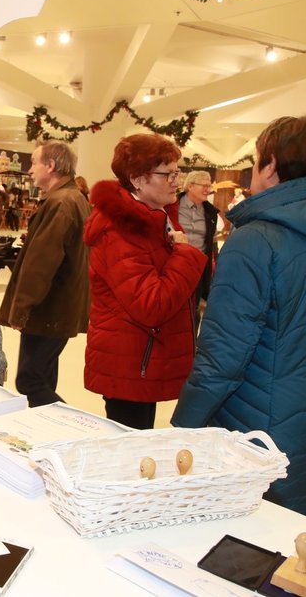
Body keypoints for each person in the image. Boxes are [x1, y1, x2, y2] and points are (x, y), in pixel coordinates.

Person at [172, 115, 306, 522]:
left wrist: (181, 429)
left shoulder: (255, 239)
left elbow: (222, 357)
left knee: (243, 553)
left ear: (270, 165)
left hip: (261, 430)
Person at [83, 134, 206, 429]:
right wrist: (185, 255)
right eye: (168, 174)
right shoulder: (121, 231)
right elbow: (152, 303)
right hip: (129, 362)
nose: (176, 181)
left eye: (178, 173)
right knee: (129, 453)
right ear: (137, 180)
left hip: (141, 358)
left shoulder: (154, 217)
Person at [0, 141, 90, 407]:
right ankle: (49, 434)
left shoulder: (61, 203)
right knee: (44, 378)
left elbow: (41, 264)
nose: (30, 170)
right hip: (59, 307)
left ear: (51, 166)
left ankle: (74, 428)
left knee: (30, 381)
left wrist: (22, 309)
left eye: (34, 162)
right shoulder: (72, 198)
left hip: (48, 309)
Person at [176, 170, 222, 334]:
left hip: (198, 268)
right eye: (204, 186)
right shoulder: (173, 205)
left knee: (194, 307)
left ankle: (191, 344)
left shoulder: (210, 212)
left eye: (209, 186)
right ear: (190, 186)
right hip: (174, 266)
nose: (208, 189)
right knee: (174, 306)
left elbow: (212, 241)